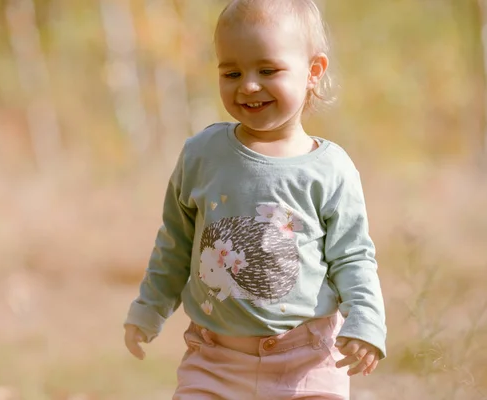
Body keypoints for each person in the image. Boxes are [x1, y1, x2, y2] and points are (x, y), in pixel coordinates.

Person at [123, 0, 387, 398]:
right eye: (232, 71)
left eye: (268, 70)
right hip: (215, 359)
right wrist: (149, 307)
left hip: (307, 360)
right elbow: (175, 242)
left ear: (313, 72)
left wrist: (366, 320)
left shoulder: (330, 169)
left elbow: (353, 255)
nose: (247, 84)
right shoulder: (202, 155)